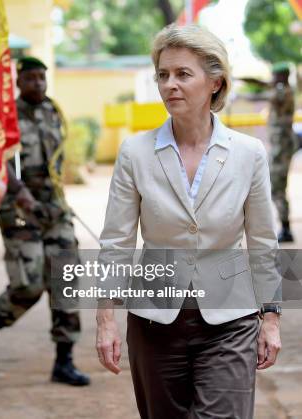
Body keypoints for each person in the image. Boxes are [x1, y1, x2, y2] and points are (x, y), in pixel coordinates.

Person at [95, 24, 281, 419]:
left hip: (231, 319)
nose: (169, 85)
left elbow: (263, 242)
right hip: (154, 321)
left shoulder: (249, 153)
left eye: (183, 74)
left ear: (215, 83)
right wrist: (105, 318)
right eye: (163, 75)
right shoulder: (135, 153)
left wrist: (272, 318)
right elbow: (117, 241)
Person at [0, 56, 90, 386]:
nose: (38, 83)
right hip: (19, 208)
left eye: (42, 78)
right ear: (18, 81)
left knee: (66, 281)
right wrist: (19, 191)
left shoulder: (53, 111)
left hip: (54, 208)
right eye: (31, 78)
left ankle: (64, 360)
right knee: (29, 285)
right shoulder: (6, 116)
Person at [267, 63, 296, 243]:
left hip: (281, 147)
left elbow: (266, 95)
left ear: (282, 76)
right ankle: (285, 227)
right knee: (276, 187)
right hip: (281, 146)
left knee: (277, 187)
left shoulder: (282, 92)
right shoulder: (285, 90)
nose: (273, 79)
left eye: (275, 76)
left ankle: (286, 229)